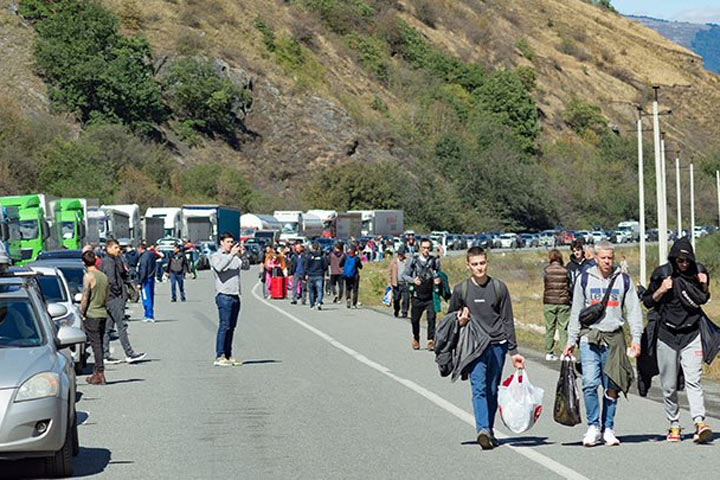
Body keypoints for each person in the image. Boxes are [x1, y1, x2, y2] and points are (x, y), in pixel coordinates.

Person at [563, 241, 643, 447]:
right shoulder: (584, 279)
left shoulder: (623, 280)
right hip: (589, 338)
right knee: (590, 383)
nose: (607, 262)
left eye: (610, 258)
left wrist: (636, 339)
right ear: (595, 258)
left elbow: (633, 311)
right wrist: (570, 340)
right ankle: (593, 426)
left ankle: (608, 428)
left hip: (614, 338)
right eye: (603, 258)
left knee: (612, 386)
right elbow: (576, 312)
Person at [446, 246, 525, 449]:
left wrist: (513, 351)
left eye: (482, 263)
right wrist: (460, 321)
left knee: (492, 390)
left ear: (487, 263)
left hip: (497, 345)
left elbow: (507, 320)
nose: (479, 268)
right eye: (475, 264)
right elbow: (450, 318)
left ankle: (489, 430)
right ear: (468, 265)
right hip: (474, 346)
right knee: (479, 388)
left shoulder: (499, 288)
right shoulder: (461, 290)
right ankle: (482, 429)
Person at [641, 238, 713, 443]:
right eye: (680, 260)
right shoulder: (662, 273)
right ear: (673, 258)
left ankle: (700, 422)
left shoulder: (698, 271)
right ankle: (674, 424)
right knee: (669, 384)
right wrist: (662, 289)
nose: (683, 264)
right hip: (667, 335)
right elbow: (647, 301)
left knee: (694, 380)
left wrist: (704, 284)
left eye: (686, 260)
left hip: (691, 334)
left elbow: (703, 298)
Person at [100, 239, 146, 364]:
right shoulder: (109, 262)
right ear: (108, 248)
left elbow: (123, 274)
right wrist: (119, 293)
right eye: (115, 247)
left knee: (108, 328)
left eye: (118, 248)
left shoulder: (114, 260)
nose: (118, 250)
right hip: (113, 298)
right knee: (121, 325)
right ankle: (129, 353)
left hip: (109, 297)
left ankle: (105, 354)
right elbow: (111, 280)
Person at [210, 232, 244, 367]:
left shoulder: (235, 257)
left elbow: (245, 266)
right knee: (224, 326)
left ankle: (228, 355)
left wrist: (243, 254)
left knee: (231, 327)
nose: (231, 244)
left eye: (232, 242)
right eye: (228, 242)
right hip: (224, 295)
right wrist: (231, 255)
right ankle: (220, 355)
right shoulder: (216, 256)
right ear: (222, 243)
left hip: (235, 295)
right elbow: (219, 268)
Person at [402, 238, 441, 351]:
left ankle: (430, 340)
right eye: (424, 248)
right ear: (419, 248)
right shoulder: (413, 261)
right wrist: (413, 280)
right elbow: (404, 275)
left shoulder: (434, 261)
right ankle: (416, 338)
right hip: (417, 295)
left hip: (430, 296)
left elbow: (439, 274)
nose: (426, 250)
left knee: (431, 318)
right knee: (415, 320)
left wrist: (438, 280)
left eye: (428, 248)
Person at [81, 250, 109, 385]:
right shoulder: (103, 276)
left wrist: (82, 312)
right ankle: (97, 371)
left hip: (92, 313)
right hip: (103, 312)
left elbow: (85, 297)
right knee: (100, 344)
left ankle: (99, 373)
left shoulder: (88, 276)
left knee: (95, 344)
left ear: (83, 263)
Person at [543, 249, 571, 361]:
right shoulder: (565, 270)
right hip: (563, 301)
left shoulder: (546, 270)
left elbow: (545, 283)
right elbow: (568, 284)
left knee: (550, 327)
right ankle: (564, 351)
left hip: (549, 302)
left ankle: (549, 351)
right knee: (563, 327)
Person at [136, 242, 157, 323]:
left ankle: (148, 315)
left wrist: (140, 282)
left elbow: (143, 269)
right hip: (151, 277)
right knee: (151, 297)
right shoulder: (151, 254)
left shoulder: (144, 257)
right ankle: (150, 314)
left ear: (140, 249)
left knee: (146, 297)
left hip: (145, 279)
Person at [304, 242, 328, 310]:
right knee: (319, 290)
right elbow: (325, 266)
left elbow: (306, 266)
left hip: (311, 275)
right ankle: (319, 302)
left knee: (311, 291)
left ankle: (312, 305)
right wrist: (324, 272)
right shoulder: (321, 257)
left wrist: (306, 274)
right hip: (319, 275)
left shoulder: (309, 257)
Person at [388, 245, 409, 318]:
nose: (400, 256)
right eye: (399, 254)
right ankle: (396, 310)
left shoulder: (407, 261)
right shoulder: (393, 262)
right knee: (396, 299)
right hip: (396, 284)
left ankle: (404, 312)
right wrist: (390, 282)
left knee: (406, 299)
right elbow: (390, 272)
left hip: (405, 284)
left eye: (402, 254)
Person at [339, 244, 363, 309]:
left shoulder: (345, 257)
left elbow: (340, 265)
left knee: (348, 288)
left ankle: (348, 299)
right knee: (355, 290)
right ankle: (354, 303)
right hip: (355, 275)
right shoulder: (356, 258)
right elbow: (361, 267)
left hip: (347, 275)